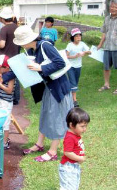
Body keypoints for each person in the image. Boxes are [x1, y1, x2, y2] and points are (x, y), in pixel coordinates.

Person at [13, 25, 73, 162]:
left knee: (57, 117)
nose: (22, 45)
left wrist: (40, 67)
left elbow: (60, 63)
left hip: (58, 88)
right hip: (49, 87)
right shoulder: (33, 49)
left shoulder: (45, 46)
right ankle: (39, 144)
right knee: (46, 114)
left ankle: (53, 151)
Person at [59, 107, 90, 190]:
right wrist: (80, 158)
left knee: (74, 186)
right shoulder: (70, 137)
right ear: (72, 125)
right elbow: (67, 152)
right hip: (68, 167)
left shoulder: (75, 134)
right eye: (82, 126)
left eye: (86, 126)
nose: (85, 129)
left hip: (74, 165)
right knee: (69, 187)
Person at [0, 7, 20, 104]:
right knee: (15, 77)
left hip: (6, 58)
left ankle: (7, 97)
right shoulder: (16, 27)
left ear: (2, 18)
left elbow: (2, 44)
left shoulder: (4, 29)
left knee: (7, 76)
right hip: (16, 56)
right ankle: (16, 99)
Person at [0, 55, 16, 149]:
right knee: (0, 120)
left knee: (5, 122)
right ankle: (3, 139)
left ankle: (4, 143)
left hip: (6, 102)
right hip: (1, 99)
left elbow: (9, 90)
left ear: (7, 68)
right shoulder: (4, 73)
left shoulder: (11, 77)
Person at [66, 28, 91, 107]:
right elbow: (66, 56)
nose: (78, 37)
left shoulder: (82, 44)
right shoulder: (70, 45)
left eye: (79, 35)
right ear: (73, 37)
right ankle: (74, 100)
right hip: (70, 66)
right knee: (73, 82)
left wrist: (84, 52)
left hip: (78, 66)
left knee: (75, 82)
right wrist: (74, 56)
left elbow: (90, 51)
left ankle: (69, 95)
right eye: (76, 36)